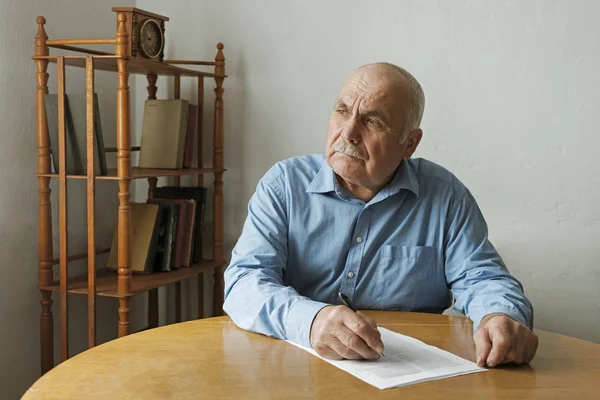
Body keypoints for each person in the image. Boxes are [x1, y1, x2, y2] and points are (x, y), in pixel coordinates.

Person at [223, 62, 539, 368]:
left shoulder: (445, 196)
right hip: (294, 364)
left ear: (409, 144)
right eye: (342, 111)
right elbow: (245, 282)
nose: (348, 133)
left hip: (409, 372)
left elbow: (483, 277)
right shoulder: (284, 185)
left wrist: (500, 315)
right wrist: (312, 320)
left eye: (373, 121)